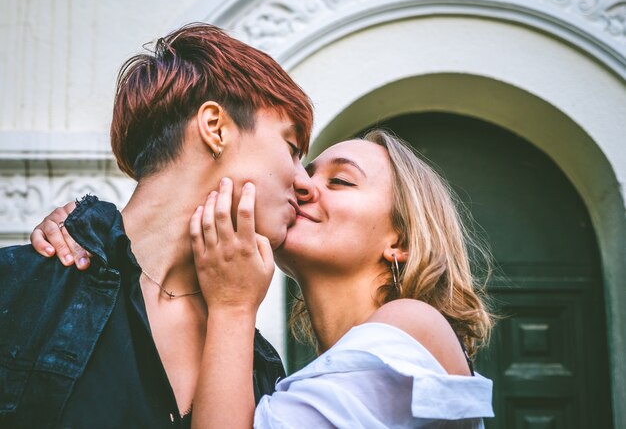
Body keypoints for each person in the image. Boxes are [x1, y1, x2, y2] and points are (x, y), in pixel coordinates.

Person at [35, 131, 495, 427]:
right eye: (305, 170)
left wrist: (233, 307)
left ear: (402, 242)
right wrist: (91, 229)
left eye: (341, 182)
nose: (303, 185)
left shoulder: (412, 324)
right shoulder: (280, 375)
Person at [0, 22, 316, 428]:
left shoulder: (263, 371)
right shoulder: (19, 288)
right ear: (215, 128)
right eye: (291, 148)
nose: (304, 181)